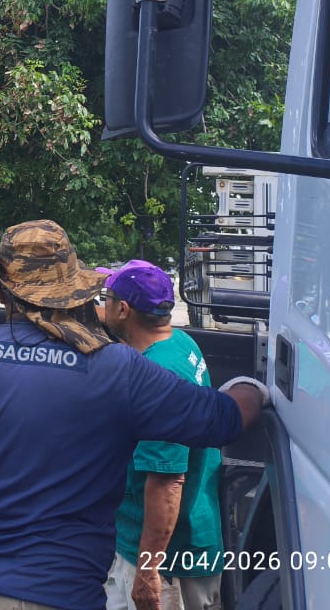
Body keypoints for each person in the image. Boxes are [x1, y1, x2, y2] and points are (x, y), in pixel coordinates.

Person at [0, 220, 268, 610]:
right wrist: (255, 388)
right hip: (56, 594)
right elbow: (223, 420)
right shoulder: (117, 370)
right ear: (72, 290)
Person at [100, 261, 223, 610]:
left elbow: (167, 483)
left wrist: (148, 571)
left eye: (106, 297)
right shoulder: (178, 341)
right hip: (178, 541)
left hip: (166, 561)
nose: (103, 305)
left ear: (123, 309)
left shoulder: (159, 377)